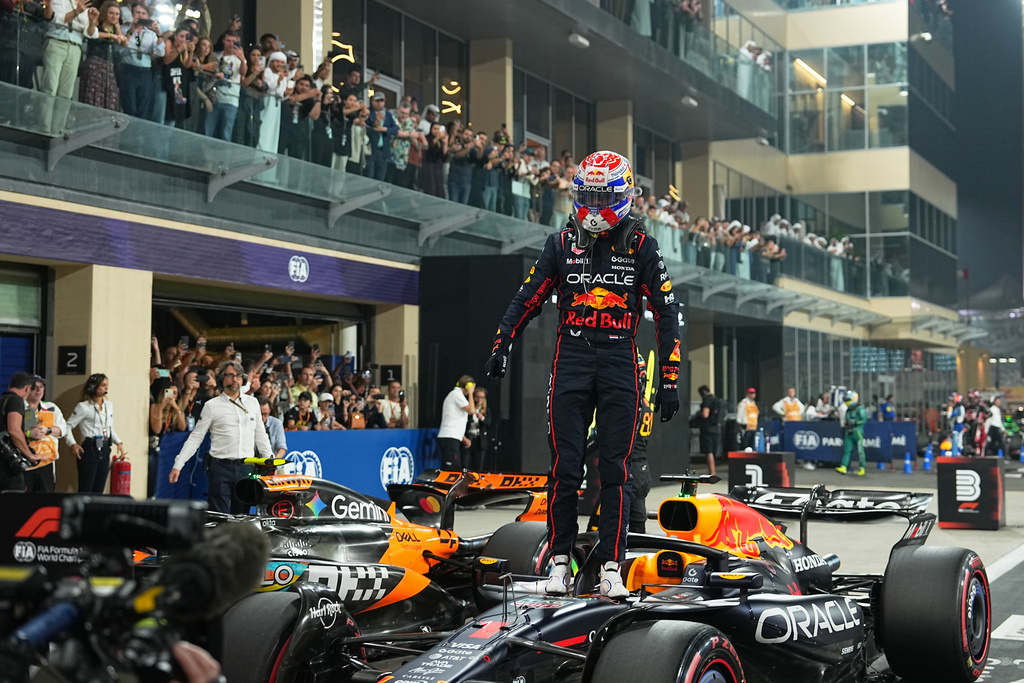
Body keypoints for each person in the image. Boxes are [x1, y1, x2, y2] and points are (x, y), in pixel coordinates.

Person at [483, 150, 680, 599]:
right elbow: (526, 296)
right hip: (570, 358)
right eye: (585, 196)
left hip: (619, 361)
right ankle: (558, 565)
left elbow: (667, 312)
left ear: (623, 196)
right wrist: (502, 343)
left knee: (616, 470)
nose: (591, 206)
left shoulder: (642, 246)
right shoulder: (559, 244)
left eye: (600, 197)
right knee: (564, 469)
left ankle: (612, 567)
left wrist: (669, 379)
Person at [169, 361, 272, 513]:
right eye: (230, 375)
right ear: (222, 378)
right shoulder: (212, 405)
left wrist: (270, 460)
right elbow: (196, 437)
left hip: (246, 467)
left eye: (238, 375)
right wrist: (178, 464)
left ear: (242, 378)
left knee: (242, 517)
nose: (234, 379)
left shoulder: (253, 403)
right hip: (220, 468)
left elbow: (260, 434)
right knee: (219, 517)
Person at [64, 373, 126, 493]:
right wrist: (73, 444)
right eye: (103, 385)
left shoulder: (109, 405)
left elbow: (109, 428)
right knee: (86, 487)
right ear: (93, 387)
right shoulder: (83, 407)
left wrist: (119, 442)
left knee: (99, 488)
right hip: (90, 446)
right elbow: (68, 426)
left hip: (104, 447)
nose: (106, 388)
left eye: (107, 385)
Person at [23, 376, 67, 492]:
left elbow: (63, 429)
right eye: (34, 387)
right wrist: (28, 433)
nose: (38, 390)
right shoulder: (19, 407)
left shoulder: (51, 407)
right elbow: (11, 431)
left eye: (41, 387)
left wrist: (48, 430)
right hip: (26, 463)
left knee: (46, 499)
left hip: (46, 462)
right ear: (27, 389)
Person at [0, 372, 41, 491]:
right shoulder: (16, 400)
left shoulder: (2, 400)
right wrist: (29, 454)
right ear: (27, 388)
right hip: (8, 466)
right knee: (15, 502)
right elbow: (14, 430)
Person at [437, 376, 477, 470]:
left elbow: (454, 419)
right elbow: (471, 410)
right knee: (450, 469)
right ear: (468, 386)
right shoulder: (455, 394)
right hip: (449, 438)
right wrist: (471, 393)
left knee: (455, 467)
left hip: (453, 437)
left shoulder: (457, 396)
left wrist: (463, 438)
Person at [691, 385, 721, 476]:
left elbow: (705, 414)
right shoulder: (717, 400)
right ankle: (713, 470)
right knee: (713, 449)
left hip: (707, 428)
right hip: (715, 427)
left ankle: (712, 472)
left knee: (709, 451)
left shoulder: (707, 400)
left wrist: (698, 414)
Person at [836, 390, 867, 476]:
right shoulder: (848, 410)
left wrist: (854, 422)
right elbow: (845, 419)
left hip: (857, 431)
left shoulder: (860, 409)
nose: (846, 402)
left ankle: (862, 467)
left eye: (848, 400)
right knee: (846, 450)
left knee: (860, 451)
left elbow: (863, 420)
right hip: (848, 431)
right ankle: (844, 466)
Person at [464, 386, 490, 472]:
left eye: (482, 397)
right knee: (466, 465)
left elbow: (489, 423)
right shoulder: (469, 409)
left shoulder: (486, 410)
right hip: (469, 438)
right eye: (478, 397)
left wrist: (482, 418)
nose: (479, 400)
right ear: (474, 397)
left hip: (480, 440)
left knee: (478, 467)